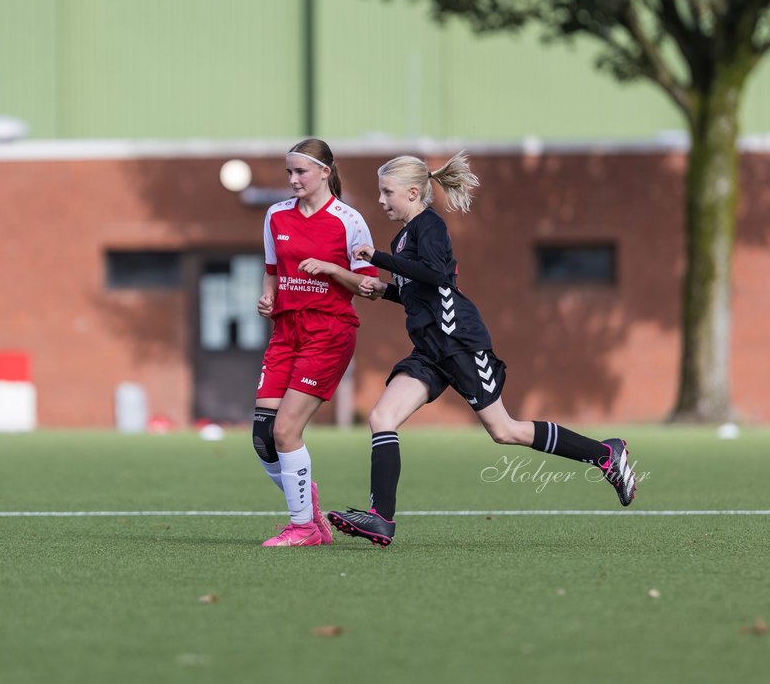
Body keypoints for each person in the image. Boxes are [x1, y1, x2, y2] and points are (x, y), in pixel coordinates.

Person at [327, 153, 638, 547]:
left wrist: (379, 260)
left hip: (458, 342)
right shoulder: (403, 236)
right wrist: (385, 289)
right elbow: (422, 293)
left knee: (505, 430)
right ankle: (381, 519)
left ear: (411, 192)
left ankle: (606, 455)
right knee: (382, 416)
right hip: (428, 349)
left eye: (387, 193)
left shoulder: (430, 226)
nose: (382, 200)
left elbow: (438, 276)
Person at [252, 139, 379, 547]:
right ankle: (307, 510)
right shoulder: (275, 216)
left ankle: (304, 526)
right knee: (263, 437)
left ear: (326, 172)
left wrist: (329, 268)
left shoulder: (349, 220)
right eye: (288, 172)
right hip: (286, 332)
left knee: (287, 432)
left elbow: (370, 286)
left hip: (328, 331)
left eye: (300, 172)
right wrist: (268, 295)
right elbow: (272, 269)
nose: (292, 180)